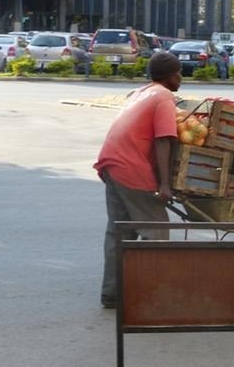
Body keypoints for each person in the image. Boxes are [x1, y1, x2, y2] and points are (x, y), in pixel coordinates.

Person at [93, 52, 182, 308]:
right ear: (169, 77)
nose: (181, 78)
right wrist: (164, 185)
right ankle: (148, 296)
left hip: (111, 162)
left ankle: (112, 294)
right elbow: (163, 140)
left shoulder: (140, 92)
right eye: (178, 73)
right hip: (131, 168)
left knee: (119, 231)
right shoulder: (165, 97)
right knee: (157, 231)